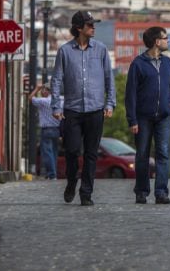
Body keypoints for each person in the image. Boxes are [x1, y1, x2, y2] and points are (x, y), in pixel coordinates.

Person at [50, 11, 115, 206]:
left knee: (91, 153)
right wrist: (55, 105)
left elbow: (108, 79)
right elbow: (56, 79)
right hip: (73, 110)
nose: (93, 27)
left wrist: (110, 103)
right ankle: (71, 181)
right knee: (71, 151)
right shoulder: (65, 51)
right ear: (79, 28)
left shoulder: (101, 50)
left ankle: (86, 193)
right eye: (89, 25)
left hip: (96, 110)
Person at [125, 26, 170, 205]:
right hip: (142, 118)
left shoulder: (169, 63)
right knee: (142, 155)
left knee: (163, 153)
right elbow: (130, 94)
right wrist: (132, 119)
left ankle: (161, 192)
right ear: (157, 42)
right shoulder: (138, 64)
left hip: (163, 117)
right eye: (165, 38)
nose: (167, 41)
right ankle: (141, 191)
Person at [29, 84, 59, 180]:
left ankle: (52, 174)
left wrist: (36, 88)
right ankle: (53, 173)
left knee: (47, 152)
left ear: (47, 91)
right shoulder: (58, 101)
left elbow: (30, 98)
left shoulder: (43, 101)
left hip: (47, 130)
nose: (42, 92)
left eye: (43, 90)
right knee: (54, 152)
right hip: (57, 129)